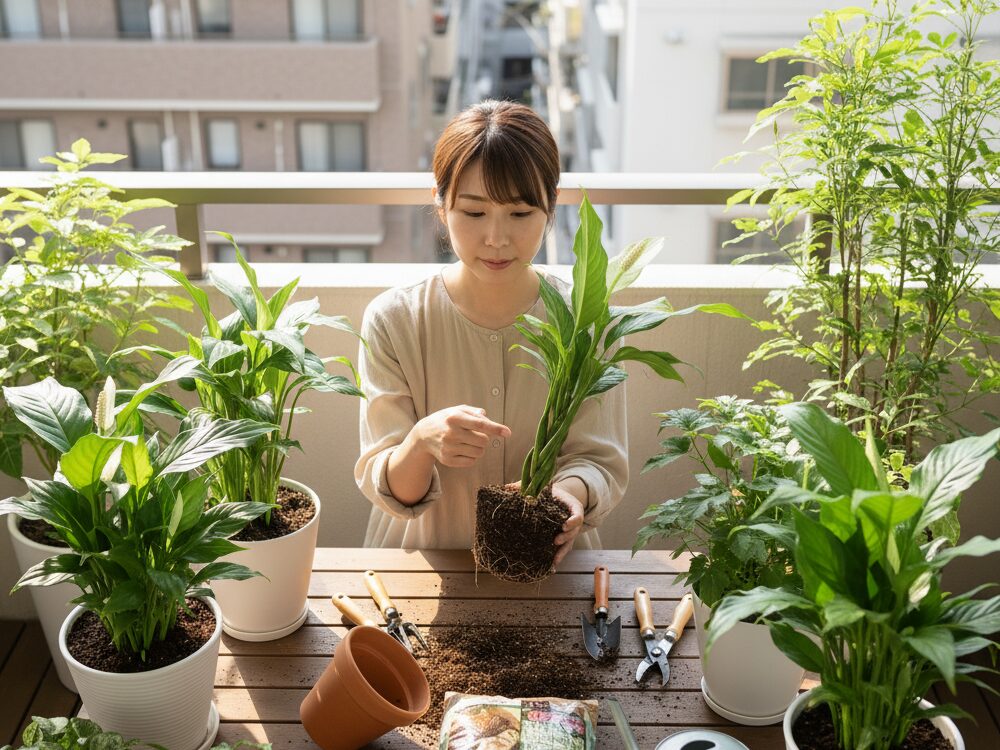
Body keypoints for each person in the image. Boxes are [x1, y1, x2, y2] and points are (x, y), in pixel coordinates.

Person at [355, 99, 628, 566]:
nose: (497, 239)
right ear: (441, 205)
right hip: (417, 570)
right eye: (474, 213)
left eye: (520, 213)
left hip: (548, 566)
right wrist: (421, 441)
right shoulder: (395, 319)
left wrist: (567, 493)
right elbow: (391, 488)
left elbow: (599, 461)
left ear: (550, 205)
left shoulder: (589, 322)